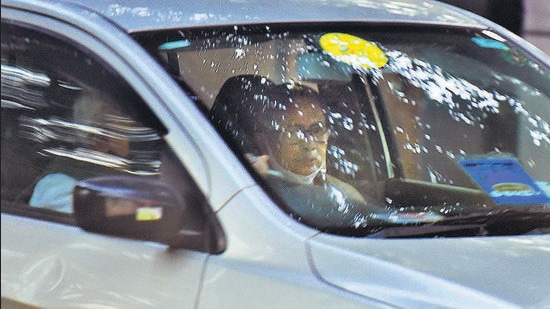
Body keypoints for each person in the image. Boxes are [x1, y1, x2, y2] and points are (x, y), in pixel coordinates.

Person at [236, 83, 383, 229]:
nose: (309, 144)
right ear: (265, 141)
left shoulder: (345, 195)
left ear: (328, 135)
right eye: (293, 132)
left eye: (317, 129)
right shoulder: (255, 194)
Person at [29, 93, 132, 213]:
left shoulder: (121, 168)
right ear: (99, 136)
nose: (132, 129)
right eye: (123, 122)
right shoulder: (59, 184)